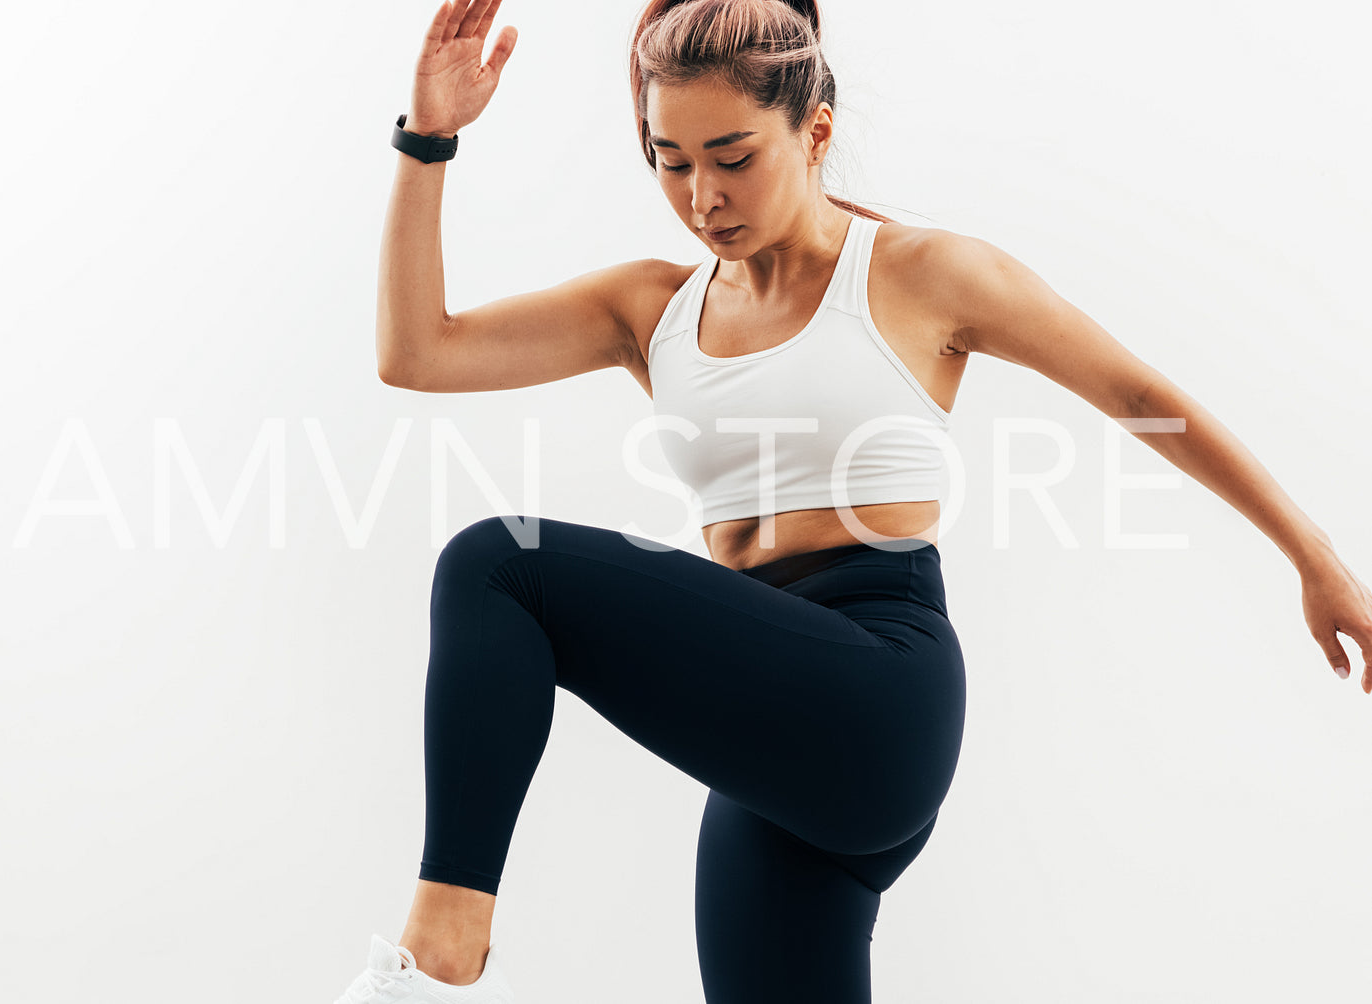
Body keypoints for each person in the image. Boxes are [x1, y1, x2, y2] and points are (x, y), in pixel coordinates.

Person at [335, 1, 1372, 1001]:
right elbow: (416, 352)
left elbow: (1141, 397)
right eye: (671, 161)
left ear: (813, 129)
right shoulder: (650, 307)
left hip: (875, 688)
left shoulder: (922, 274)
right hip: (768, 729)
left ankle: (442, 967)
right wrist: (427, 140)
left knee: (498, 565)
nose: (702, 196)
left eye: (732, 156)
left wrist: (1312, 556)